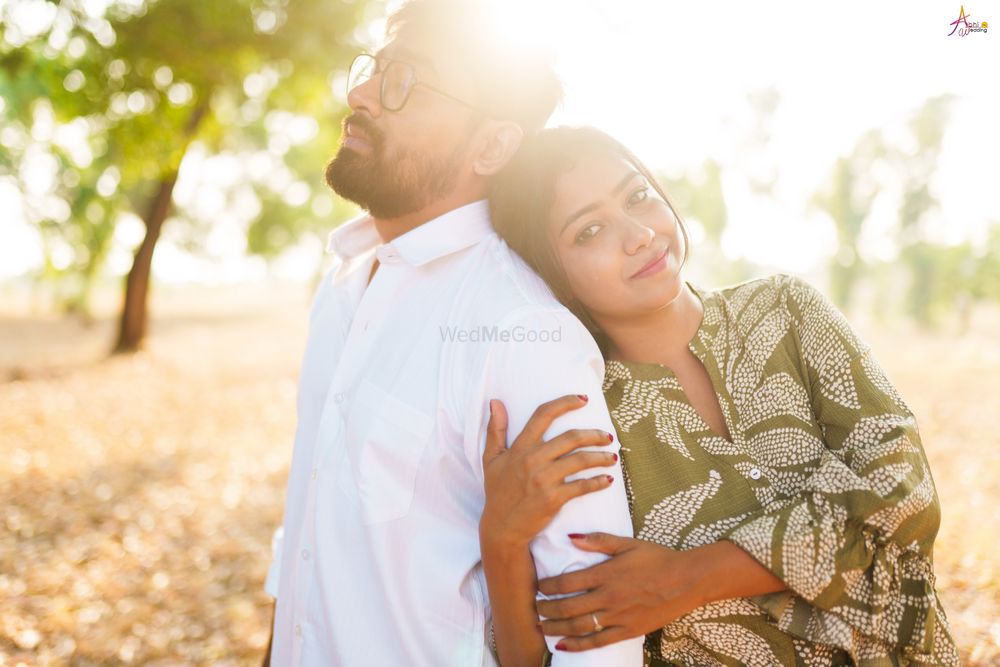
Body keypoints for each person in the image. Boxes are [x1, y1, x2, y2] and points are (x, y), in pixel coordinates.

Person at [482, 126, 961, 666]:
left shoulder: (786, 312)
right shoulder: (579, 415)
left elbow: (900, 490)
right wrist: (500, 541)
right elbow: (545, 654)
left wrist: (688, 578)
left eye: (637, 196)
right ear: (550, 274)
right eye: (589, 230)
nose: (638, 234)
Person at [262, 3, 645, 665]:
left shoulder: (523, 330)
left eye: (405, 79)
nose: (361, 95)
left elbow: (598, 639)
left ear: (492, 144)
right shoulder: (343, 287)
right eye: (376, 69)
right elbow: (309, 526)